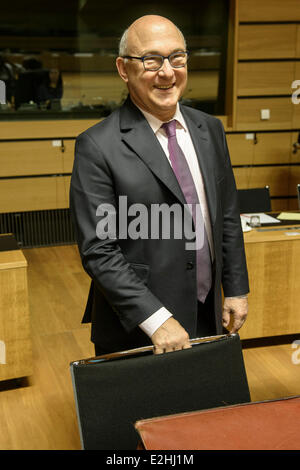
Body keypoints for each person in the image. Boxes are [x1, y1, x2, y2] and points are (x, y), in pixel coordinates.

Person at [70, 15, 249, 356]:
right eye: (151, 60)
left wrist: (236, 288)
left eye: (177, 58)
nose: (167, 72)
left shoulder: (210, 129)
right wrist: (155, 318)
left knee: (207, 408)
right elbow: (98, 249)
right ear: (124, 69)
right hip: (139, 325)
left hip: (208, 311)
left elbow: (226, 213)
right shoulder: (96, 146)